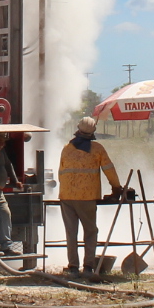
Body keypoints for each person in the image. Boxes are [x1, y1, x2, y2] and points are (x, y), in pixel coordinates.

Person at [57, 116, 126, 275]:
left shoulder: (67, 148)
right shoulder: (97, 149)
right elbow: (109, 169)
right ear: (93, 131)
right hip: (86, 198)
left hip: (66, 197)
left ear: (78, 129)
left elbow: (61, 173)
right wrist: (117, 188)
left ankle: (73, 267)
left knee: (71, 232)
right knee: (90, 232)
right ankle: (88, 267)